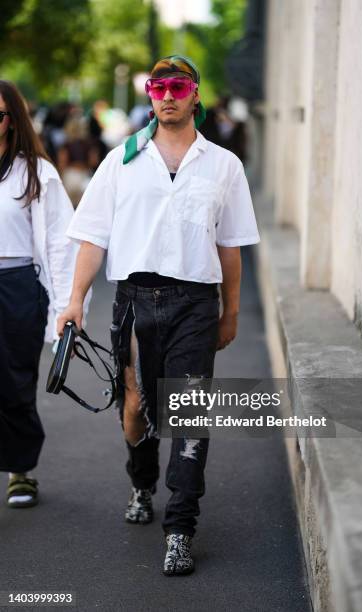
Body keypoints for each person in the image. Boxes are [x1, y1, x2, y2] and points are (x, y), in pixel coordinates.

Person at [57, 55, 260, 575]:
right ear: (150, 95)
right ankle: (141, 481)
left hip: (196, 301)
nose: (167, 94)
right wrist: (75, 299)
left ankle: (180, 528)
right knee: (135, 409)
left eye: (178, 86)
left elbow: (232, 245)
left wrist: (231, 312)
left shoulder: (223, 165)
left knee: (188, 414)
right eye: (159, 86)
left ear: (195, 95)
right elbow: (92, 236)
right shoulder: (120, 161)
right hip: (134, 299)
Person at [0, 81, 84, 508]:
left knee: (15, 382)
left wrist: (67, 304)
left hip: (17, 286)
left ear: (12, 119)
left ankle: (21, 471)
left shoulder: (36, 171)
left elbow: (59, 243)